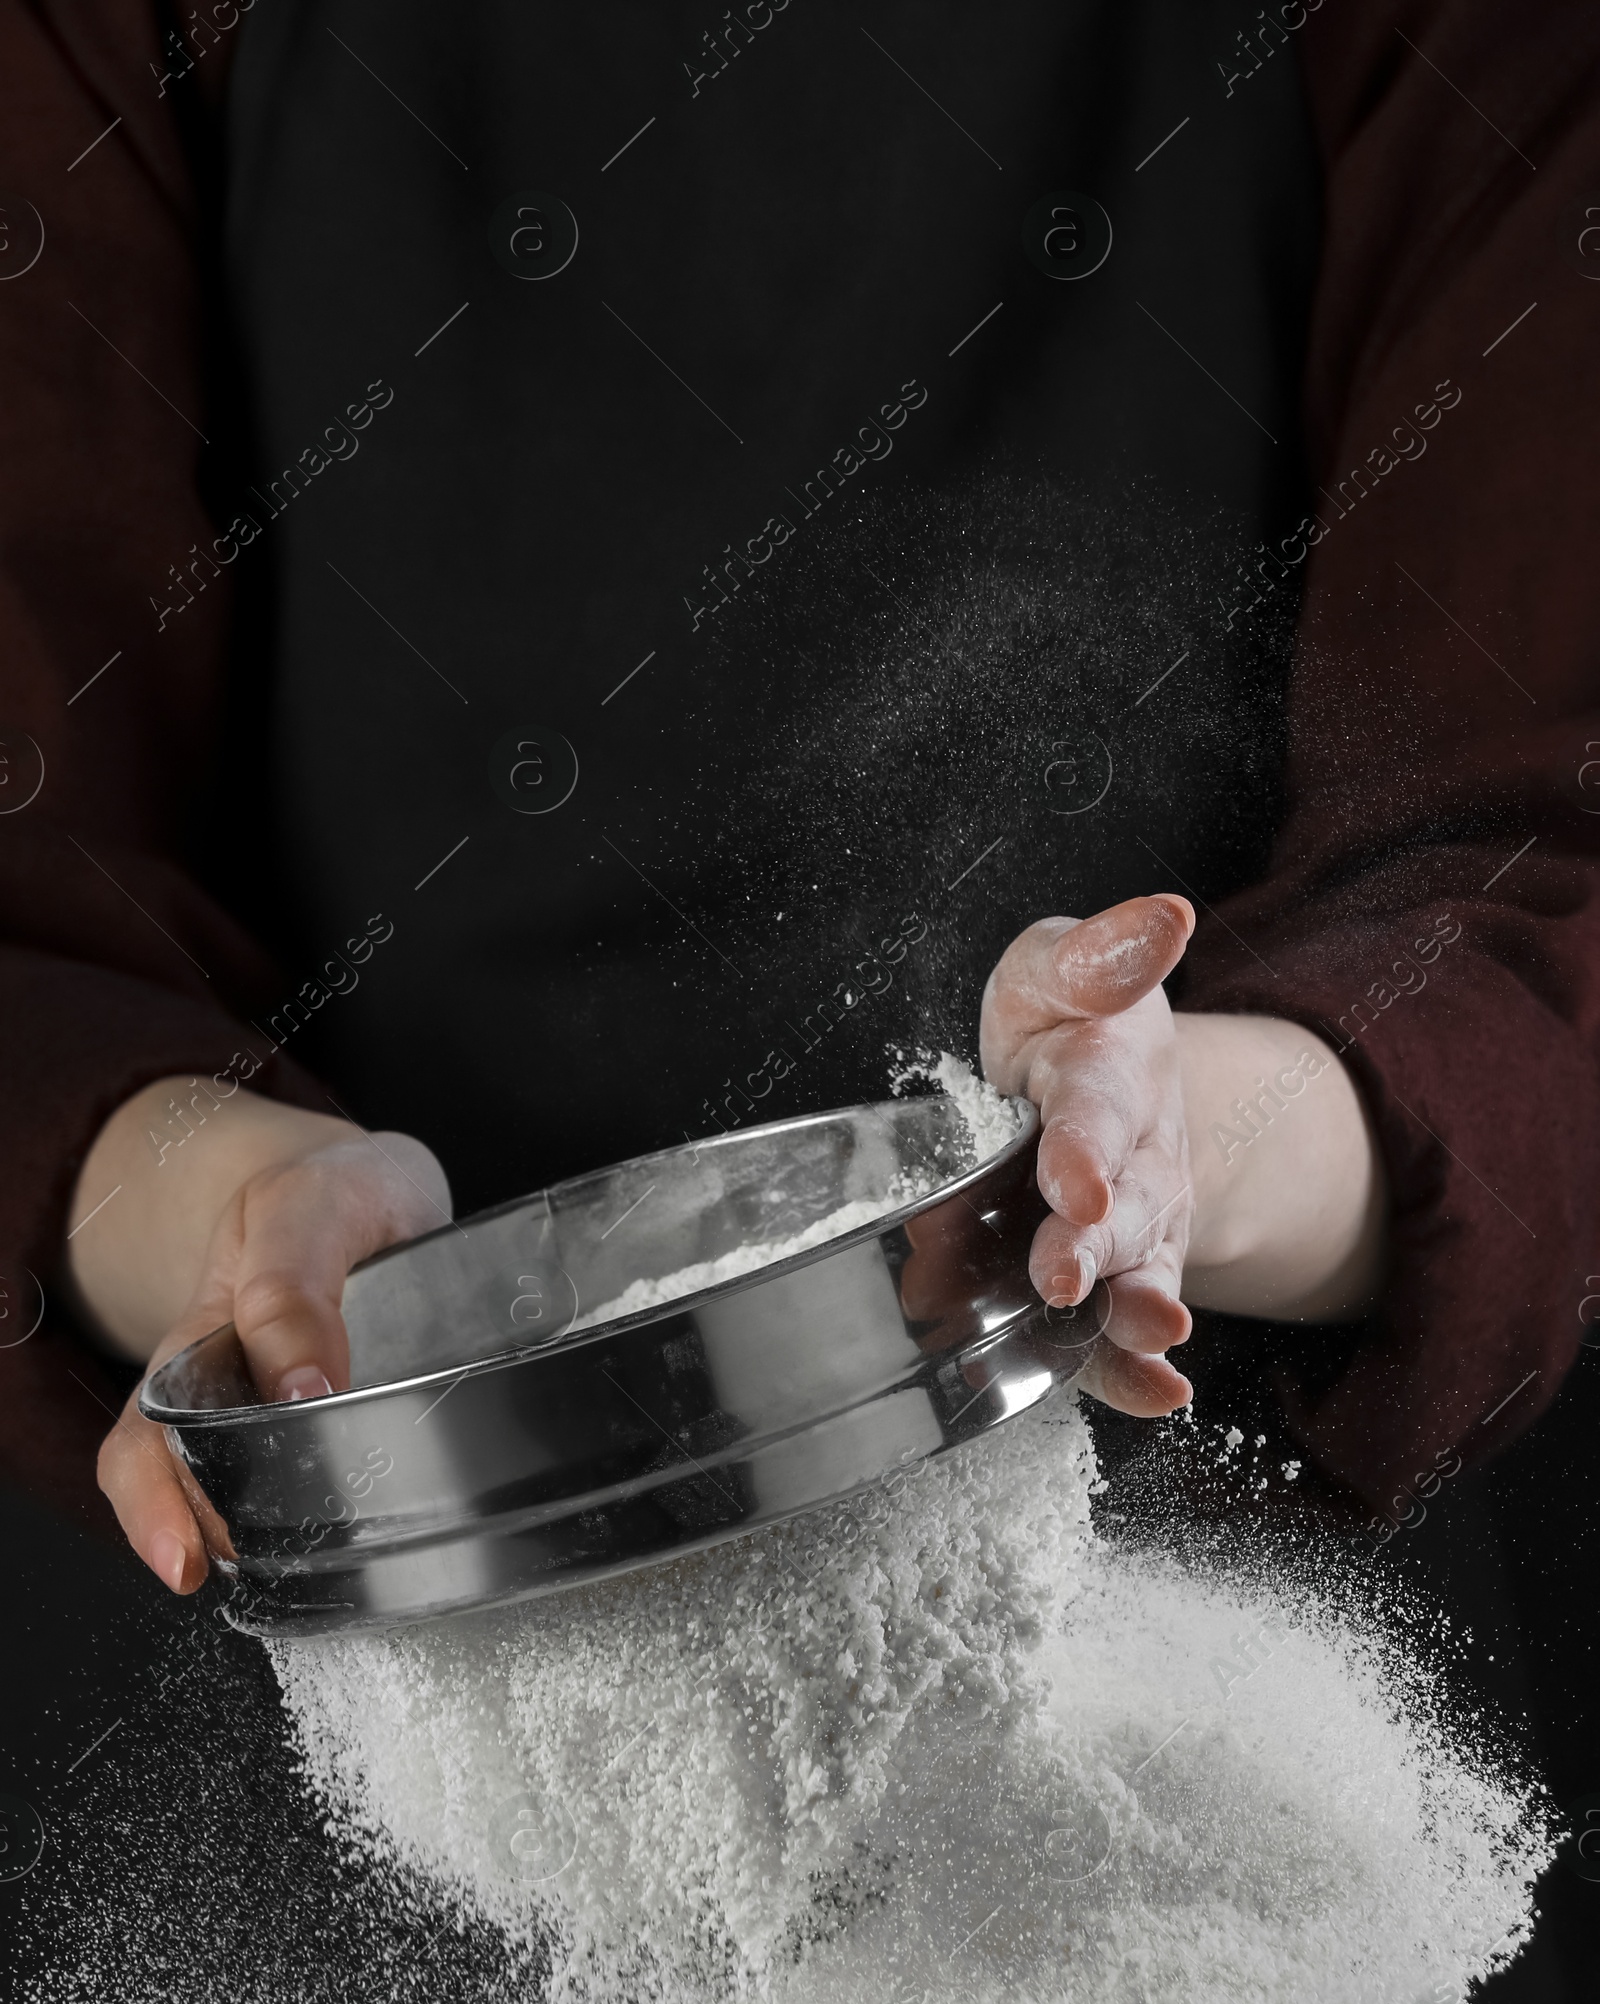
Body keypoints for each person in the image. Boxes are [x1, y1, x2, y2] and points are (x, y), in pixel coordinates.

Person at [2, 0, 1596, 1629]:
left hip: (1193, 1595)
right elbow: (29, 925)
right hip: (365, 1573)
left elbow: (1538, 875)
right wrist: (246, 1236)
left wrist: (1161, 1146)